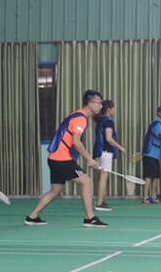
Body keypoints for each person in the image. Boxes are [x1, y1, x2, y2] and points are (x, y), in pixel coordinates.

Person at [25, 89, 108, 228]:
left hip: (54, 158)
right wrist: (89, 159)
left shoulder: (76, 115)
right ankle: (90, 218)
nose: (101, 106)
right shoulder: (81, 119)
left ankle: (32, 217)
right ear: (89, 103)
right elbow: (76, 142)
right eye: (98, 103)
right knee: (86, 182)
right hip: (62, 159)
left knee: (55, 190)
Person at [92, 100, 126, 211]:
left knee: (102, 177)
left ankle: (100, 200)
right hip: (105, 152)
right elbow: (109, 139)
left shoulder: (100, 120)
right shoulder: (108, 121)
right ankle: (99, 204)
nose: (114, 110)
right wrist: (120, 147)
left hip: (99, 152)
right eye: (113, 108)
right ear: (108, 109)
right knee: (103, 177)